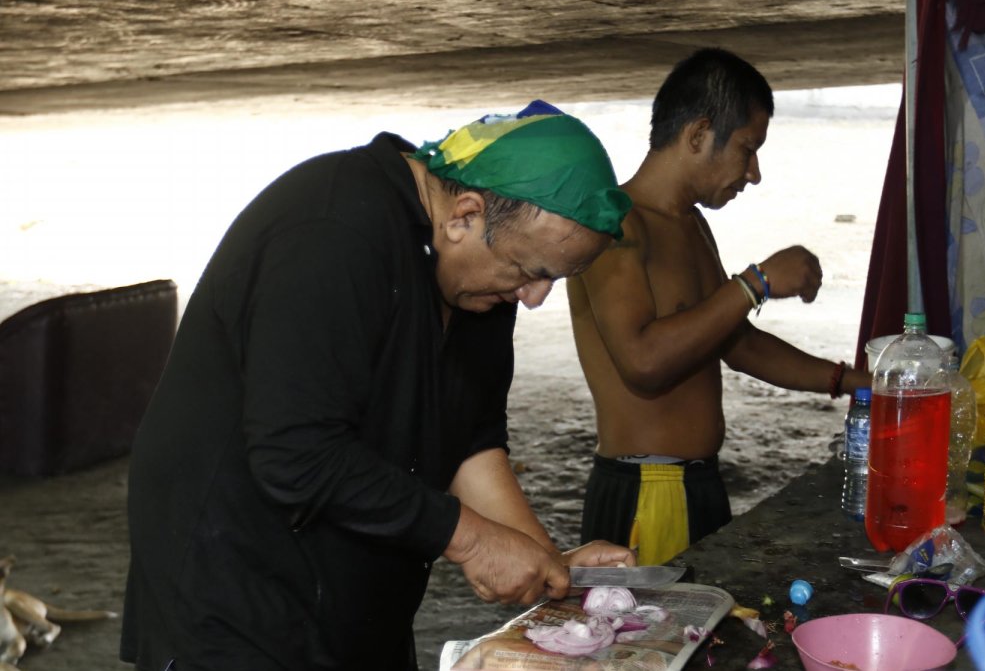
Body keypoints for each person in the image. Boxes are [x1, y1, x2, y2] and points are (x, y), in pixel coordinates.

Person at [121, 100, 637, 671]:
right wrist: (469, 539)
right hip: (234, 595)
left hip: (356, 602)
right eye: (531, 271)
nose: (534, 298)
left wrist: (548, 567)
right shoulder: (330, 231)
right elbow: (296, 454)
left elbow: (469, 439)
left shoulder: (480, 277)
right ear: (464, 214)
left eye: (554, 279)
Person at [567, 49, 872, 566]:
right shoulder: (616, 225)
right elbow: (642, 362)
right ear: (698, 134)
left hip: (697, 482)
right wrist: (755, 283)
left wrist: (854, 383)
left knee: (709, 639)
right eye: (747, 149)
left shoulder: (690, 225)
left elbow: (737, 342)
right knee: (655, 645)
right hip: (647, 489)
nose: (754, 173)